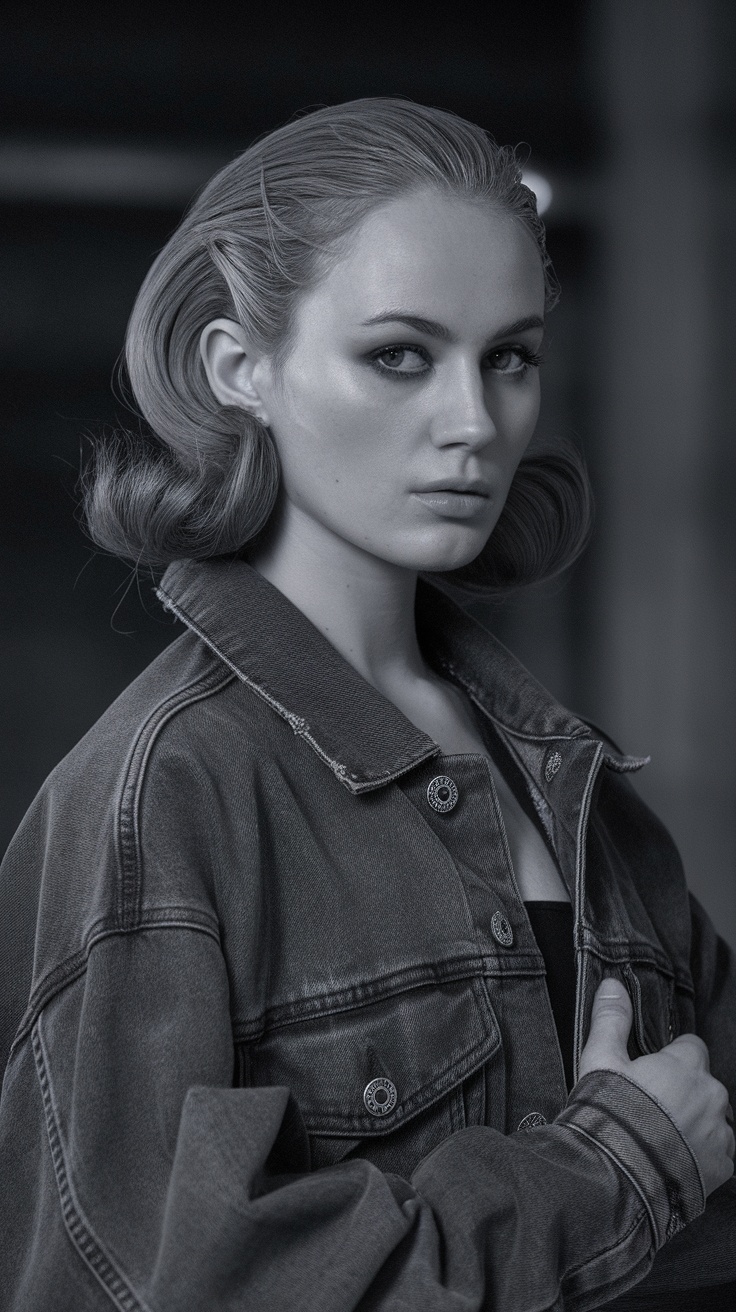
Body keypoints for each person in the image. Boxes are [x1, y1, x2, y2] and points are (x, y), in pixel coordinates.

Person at [0, 98, 733, 1312]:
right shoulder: (164, 796)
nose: (471, 424)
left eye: (508, 358)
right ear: (240, 368)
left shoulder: (578, 782)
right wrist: (614, 1168)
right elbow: (174, 1285)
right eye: (400, 354)